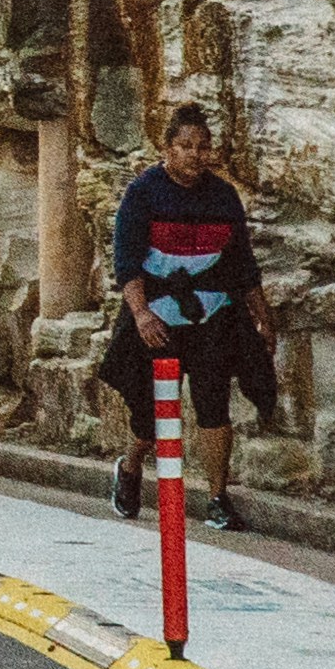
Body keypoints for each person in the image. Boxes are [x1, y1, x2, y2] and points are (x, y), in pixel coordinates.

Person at [101, 101, 280, 522]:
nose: (195, 154)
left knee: (214, 406)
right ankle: (129, 469)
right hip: (157, 320)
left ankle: (217, 498)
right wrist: (141, 314)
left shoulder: (223, 196)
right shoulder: (143, 192)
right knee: (150, 414)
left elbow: (241, 263)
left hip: (211, 316)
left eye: (202, 146)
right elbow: (127, 262)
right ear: (167, 148)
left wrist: (262, 317)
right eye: (185, 145)